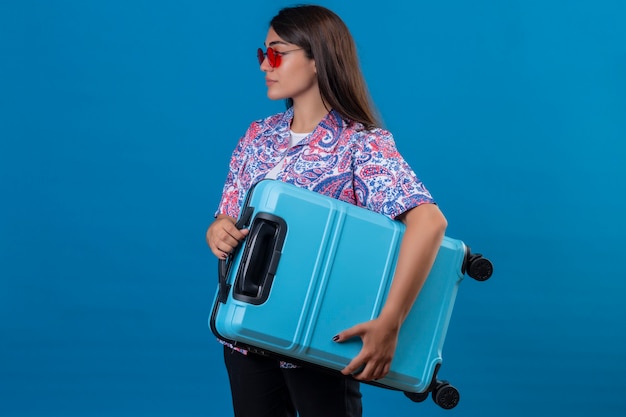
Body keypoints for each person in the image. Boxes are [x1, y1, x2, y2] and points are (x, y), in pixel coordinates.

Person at [206, 4, 447, 417]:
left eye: (278, 53)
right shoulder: (257, 137)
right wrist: (218, 230)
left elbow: (429, 221)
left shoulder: (361, 145)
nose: (266, 64)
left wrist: (390, 323)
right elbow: (226, 216)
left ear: (318, 59)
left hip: (317, 342)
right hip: (244, 335)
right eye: (262, 53)